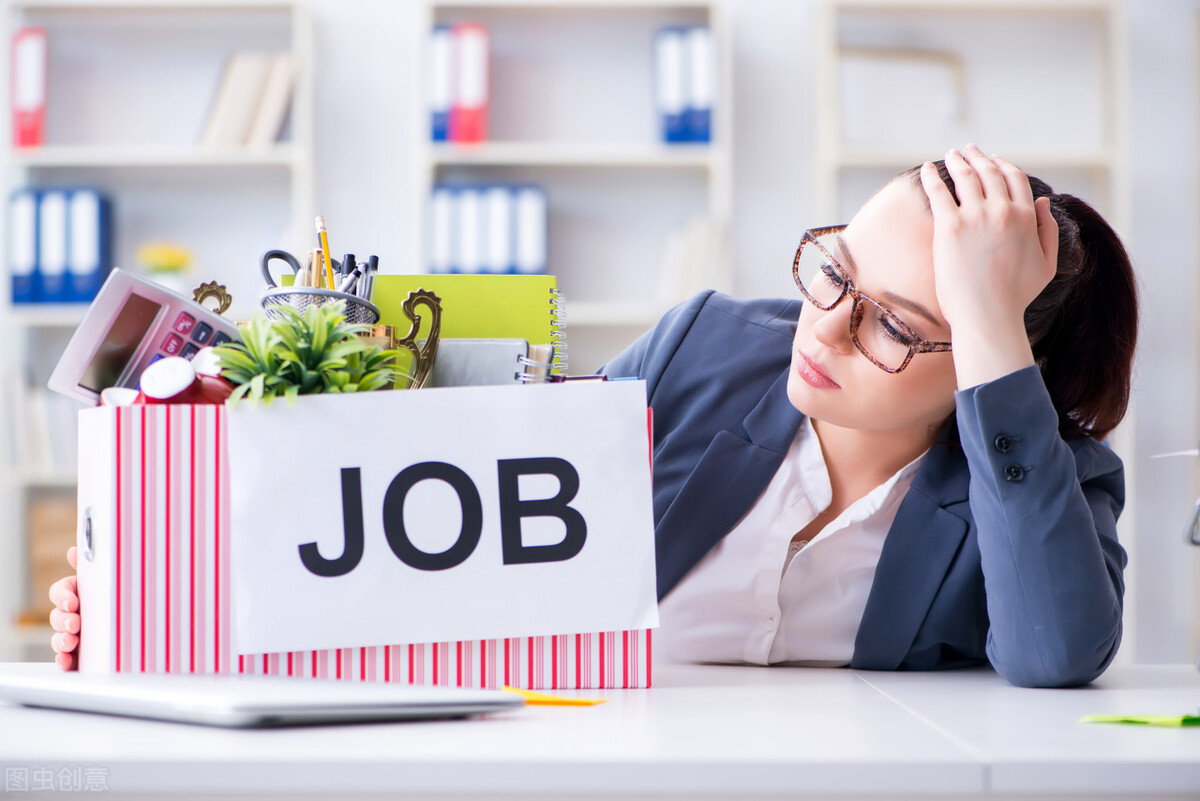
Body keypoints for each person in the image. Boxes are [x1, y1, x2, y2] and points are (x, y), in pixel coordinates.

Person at [48, 146, 1138, 688]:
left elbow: (1054, 658)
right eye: (833, 270)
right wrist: (161, 595)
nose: (828, 325)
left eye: (895, 324)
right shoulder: (705, 347)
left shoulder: (1047, 478)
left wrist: (990, 332)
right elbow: (448, 533)